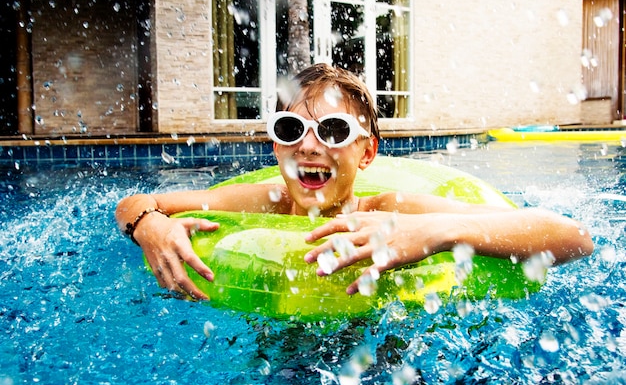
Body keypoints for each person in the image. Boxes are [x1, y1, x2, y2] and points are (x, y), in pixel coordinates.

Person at [115, 63, 594, 300]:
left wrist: (432, 232)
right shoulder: (271, 200)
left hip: (379, 337)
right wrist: (149, 224)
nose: (308, 146)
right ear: (275, 147)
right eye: (290, 130)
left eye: (333, 130)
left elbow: (574, 237)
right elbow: (137, 201)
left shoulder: (390, 210)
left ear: (367, 152)